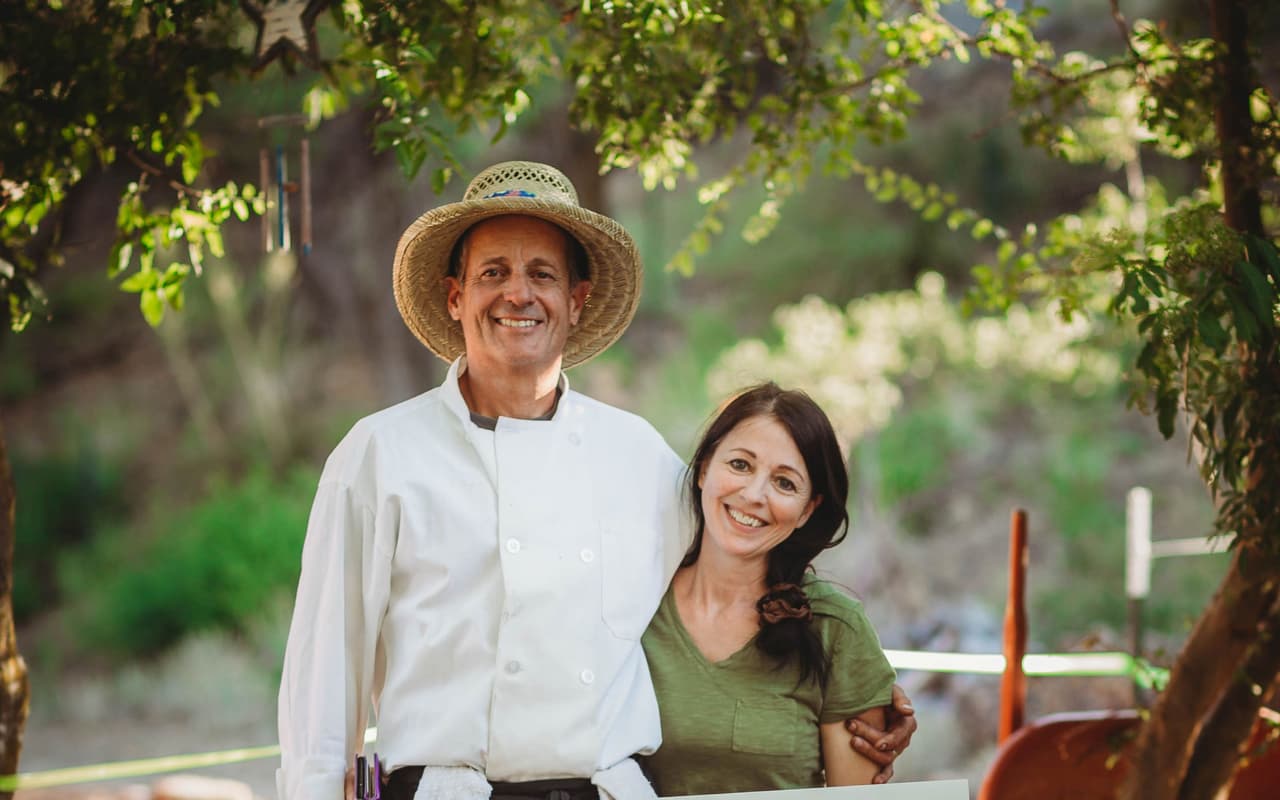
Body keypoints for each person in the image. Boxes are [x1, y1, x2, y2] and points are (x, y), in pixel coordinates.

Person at [276, 161, 914, 800]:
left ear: (576, 302)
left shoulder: (636, 453)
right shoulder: (381, 453)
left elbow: (738, 556)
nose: (517, 294)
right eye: (493, 272)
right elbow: (325, 669)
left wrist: (850, 675)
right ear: (455, 296)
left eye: (543, 275)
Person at [640, 383, 896, 795]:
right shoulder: (632, 599)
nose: (755, 495)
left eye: (785, 483)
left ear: (807, 510)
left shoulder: (837, 628)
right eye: (740, 465)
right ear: (704, 467)